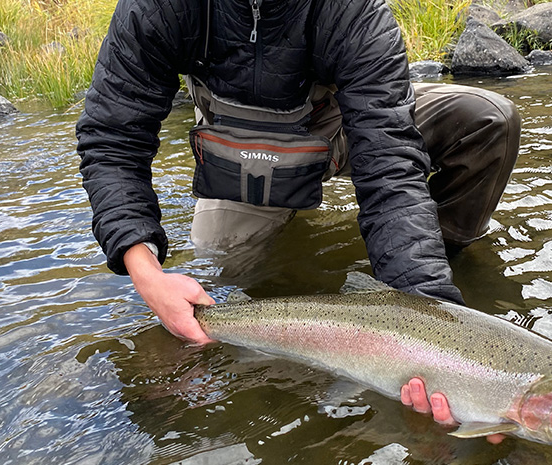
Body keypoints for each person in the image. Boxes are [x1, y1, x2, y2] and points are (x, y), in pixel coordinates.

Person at [76, 0, 519, 443]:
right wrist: (145, 270)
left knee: (486, 120)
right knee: (232, 265)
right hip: (244, 148)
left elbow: (389, 166)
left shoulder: (354, 11)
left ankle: (443, 271)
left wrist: (433, 322)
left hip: (343, 122)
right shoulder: (159, 8)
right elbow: (113, 137)